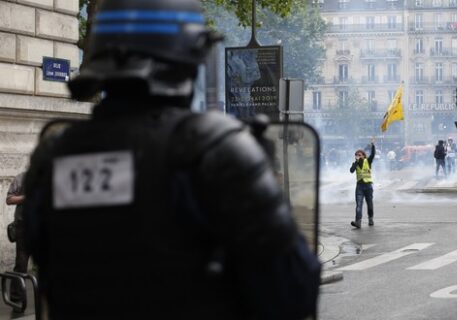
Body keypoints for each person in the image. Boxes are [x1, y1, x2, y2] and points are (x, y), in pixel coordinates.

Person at [21, 0, 320, 319]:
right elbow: (293, 290)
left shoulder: (54, 156)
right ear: (190, 56)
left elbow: (45, 256)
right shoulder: (215, 148)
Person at [5, 172, 28, 312]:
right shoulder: (21, 178)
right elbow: (9, 199)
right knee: (21, 264)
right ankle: (15, 298)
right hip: (24, 228)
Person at [350, 139, 376, 228]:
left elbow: (372, 155)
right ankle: (358, 222)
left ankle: (370, 218)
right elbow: (351, 171)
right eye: (356, 155)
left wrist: (373, 145)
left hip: (368, 186)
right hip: (359, 186)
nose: (357, 156)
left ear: (363, 156)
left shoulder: (367, 161)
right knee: (359, 205)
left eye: (359, 155)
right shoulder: (355, 163)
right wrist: (356, 162)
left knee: (370, 204)